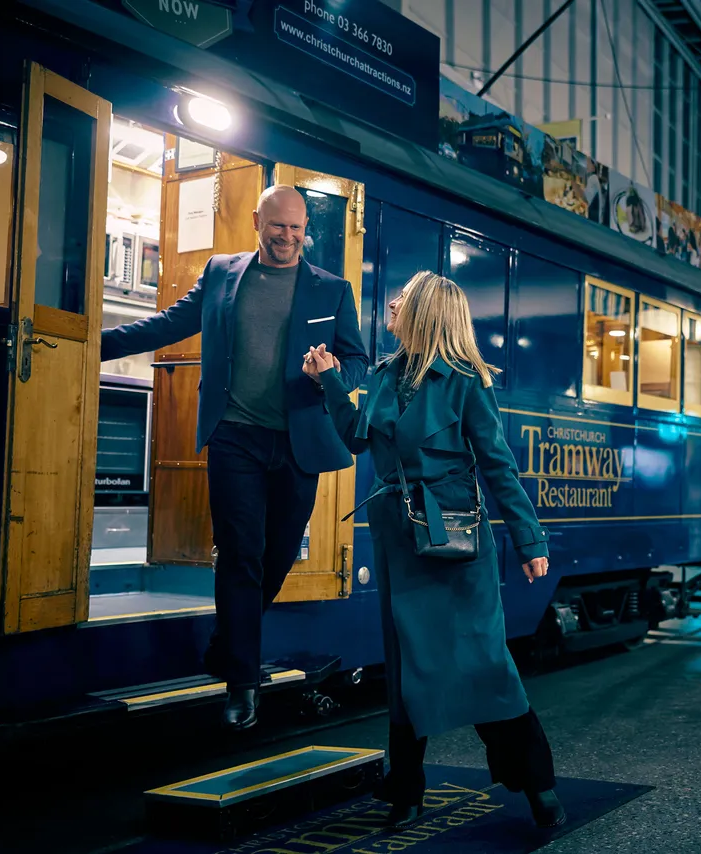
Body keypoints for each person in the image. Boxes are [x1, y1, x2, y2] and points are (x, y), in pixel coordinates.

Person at [302, 271, 565, 830]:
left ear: (426, 311)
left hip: (457, 545)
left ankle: (537, 784)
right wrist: (329, 381)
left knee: (484, 666)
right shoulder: (383, 373)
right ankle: (406, 790)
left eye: (404, 297)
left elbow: (498, 465)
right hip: (400, 541)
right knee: (406, 670)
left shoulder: (467, 381)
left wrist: (530, 539)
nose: (392, 303)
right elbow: (355, 437)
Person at [100, 185, 368, 730]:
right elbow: (169, 323)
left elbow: (358, 361)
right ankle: (243, 683)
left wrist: (332, 373)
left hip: (297, 443)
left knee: (277, 556)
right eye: (278, 226)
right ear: (256, 221)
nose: (287, 237)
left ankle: (228, 643)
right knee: (241, 554)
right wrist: (96, 343)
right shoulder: (222, 272)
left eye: (296, 228)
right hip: (234, 436)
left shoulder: (332, 289)